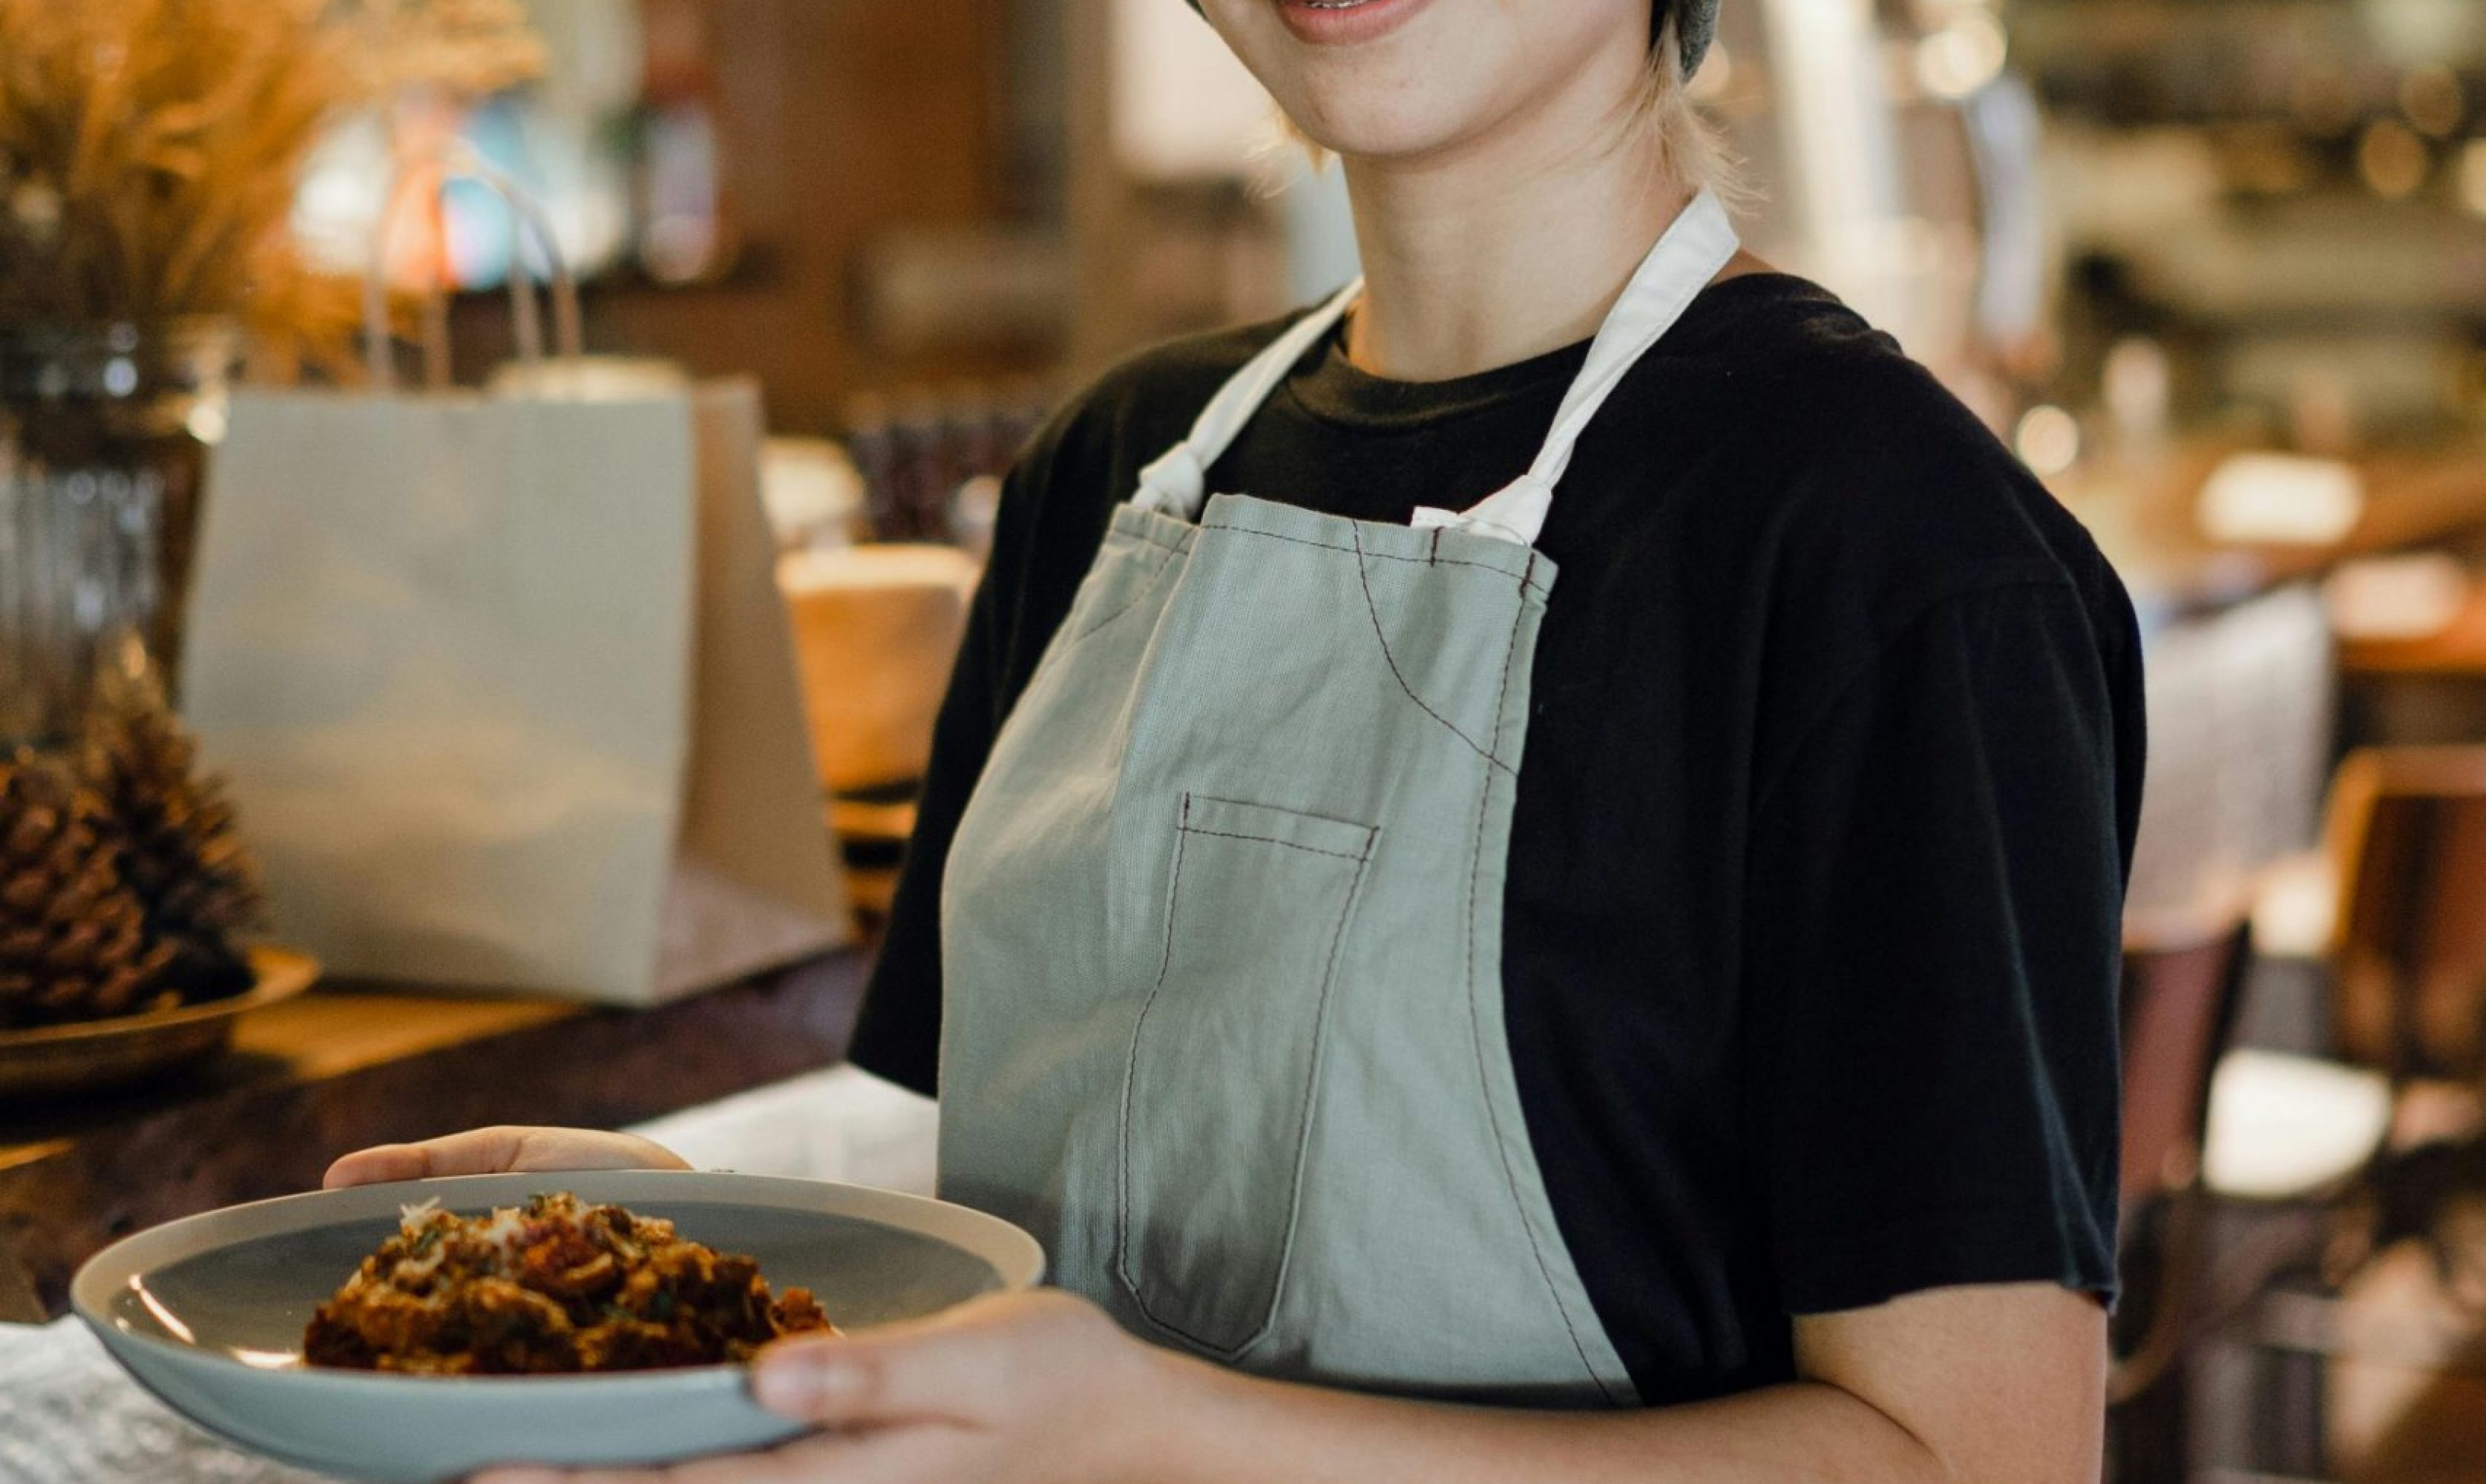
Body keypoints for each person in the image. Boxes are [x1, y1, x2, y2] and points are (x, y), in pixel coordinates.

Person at [328, 1, 2145, 1480]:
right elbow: (1097, 1203)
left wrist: (1167, 1441)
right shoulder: (1113, 473)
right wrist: (712, 1262)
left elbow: (1968, 1454)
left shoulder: (1891, 553)